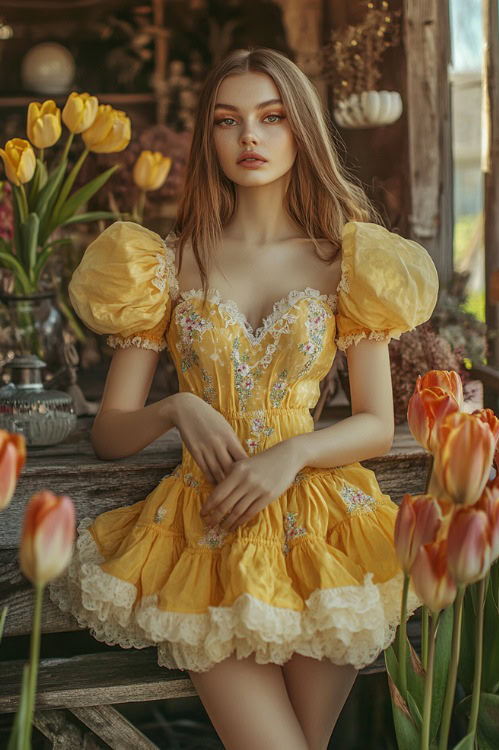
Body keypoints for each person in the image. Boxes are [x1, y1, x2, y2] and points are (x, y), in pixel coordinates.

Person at [49, 47, 439, 750]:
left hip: (324, 529)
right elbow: (110, 431)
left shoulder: (349, 260)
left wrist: (293, 453)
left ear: (302, 132)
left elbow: (378, 424)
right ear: (209, 137)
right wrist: (178, 409)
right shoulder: (163, 264)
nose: (250, 137)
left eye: (272, 117)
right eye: (229, 120)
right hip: (209, 528)